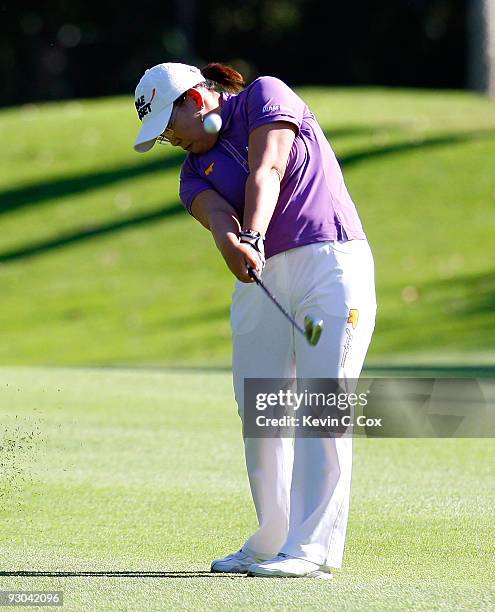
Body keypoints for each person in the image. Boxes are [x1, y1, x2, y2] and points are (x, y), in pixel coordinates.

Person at [133, 62, 377, 579]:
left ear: (197, 102)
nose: (170, 141)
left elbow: (269, 168)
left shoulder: (265, 95)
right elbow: (219, 218)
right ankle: (273, 538)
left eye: (169, 128)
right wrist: (232, 246)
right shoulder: (193, 172)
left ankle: (312, 550)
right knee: (259, 407)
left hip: (330, 262)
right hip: (265, 278)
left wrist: (255, 237)